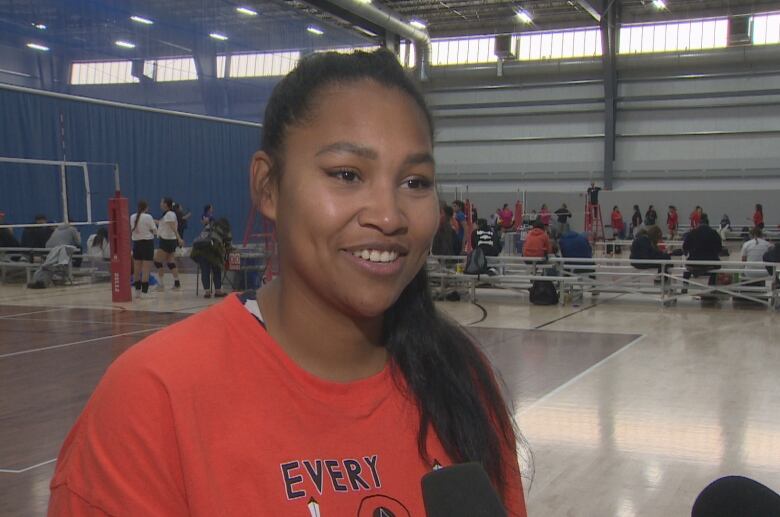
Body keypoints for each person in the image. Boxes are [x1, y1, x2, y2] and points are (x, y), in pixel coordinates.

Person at [48, 50, 527, 516]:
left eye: (415, 182)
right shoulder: (153, 401)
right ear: (268, 186)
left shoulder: (460, 380)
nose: (388, 215)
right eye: (347, 174)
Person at [191, 217, 232, 298]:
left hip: (199, 252)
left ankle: (207, 292)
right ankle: (218, 291)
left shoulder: (208, 227)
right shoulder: (225, 229)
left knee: (205, 271)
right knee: (217, 270)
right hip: (212, 251)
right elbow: (228, 243)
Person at [682, 214, 722, 291]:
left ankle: (685, 286)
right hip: (710, 264)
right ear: (708, 224)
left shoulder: (692, 232)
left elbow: (685, 247)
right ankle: (711, 287)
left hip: (693, 263)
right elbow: (719, 249)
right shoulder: (714, 233)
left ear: (699, 223)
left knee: (686, 269)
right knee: (718, 267)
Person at [154, 197, 184, 290]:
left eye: (162, 202)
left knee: (157, 261)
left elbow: (173, 228)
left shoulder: (169, 214)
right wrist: (152, 220)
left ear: (166, 204)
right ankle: (177, 283)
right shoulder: (168, 214)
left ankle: (161, 285)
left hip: (167, 241)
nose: (160, 204)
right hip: (170, 240)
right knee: (170, 262)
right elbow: (163, 224)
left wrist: (179, 238)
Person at [129, 200, 157, 299]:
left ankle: (137, 292)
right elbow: (155, 231)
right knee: (146, 269)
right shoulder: (148, 217)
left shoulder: (132, 217)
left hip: (136, 244)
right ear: (146, 207)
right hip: (147, 244)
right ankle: (145, 292)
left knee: (137, 269)